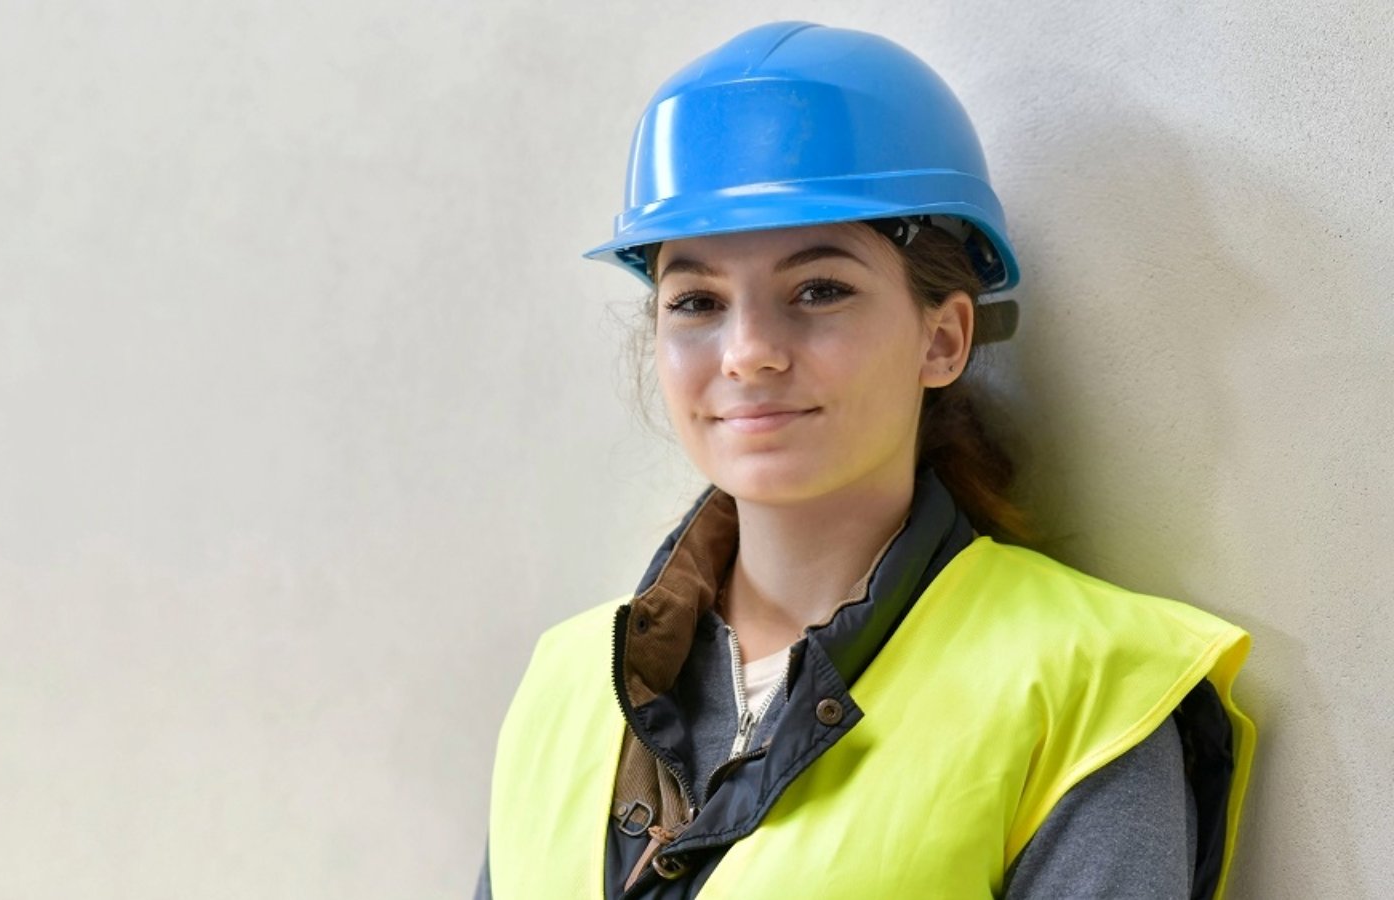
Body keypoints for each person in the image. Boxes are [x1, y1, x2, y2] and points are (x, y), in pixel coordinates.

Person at [477, 21, 1253, 900]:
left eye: (819, 289)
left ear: (944, 338)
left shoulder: (1086, 690)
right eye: (696, 300)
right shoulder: (566, 682)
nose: (749, 352)